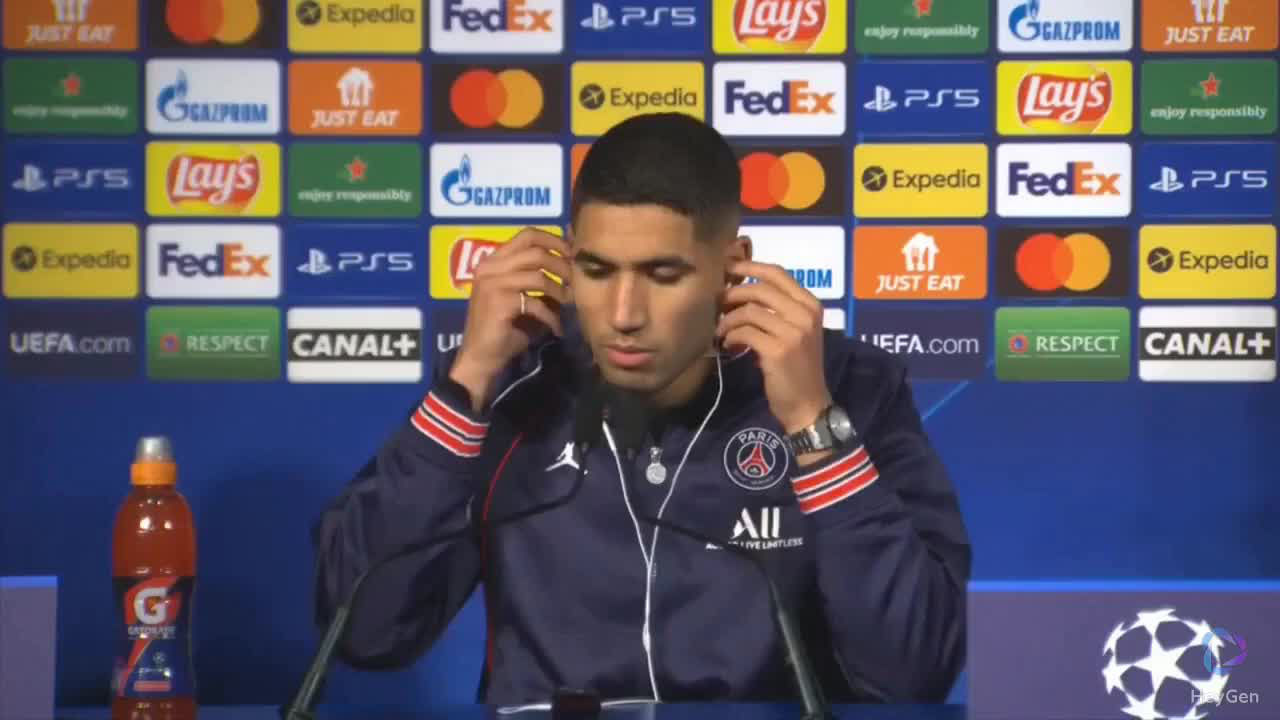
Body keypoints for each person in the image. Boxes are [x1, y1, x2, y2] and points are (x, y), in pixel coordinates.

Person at [312, 112, 972, 707]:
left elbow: (913, 674)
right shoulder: (505, 386)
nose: (624, 315)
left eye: (662, 274)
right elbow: (368, 633)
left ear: (732, 268)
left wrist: (813, 428)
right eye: (597, 270)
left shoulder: (847, 387)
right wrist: (466, 385)